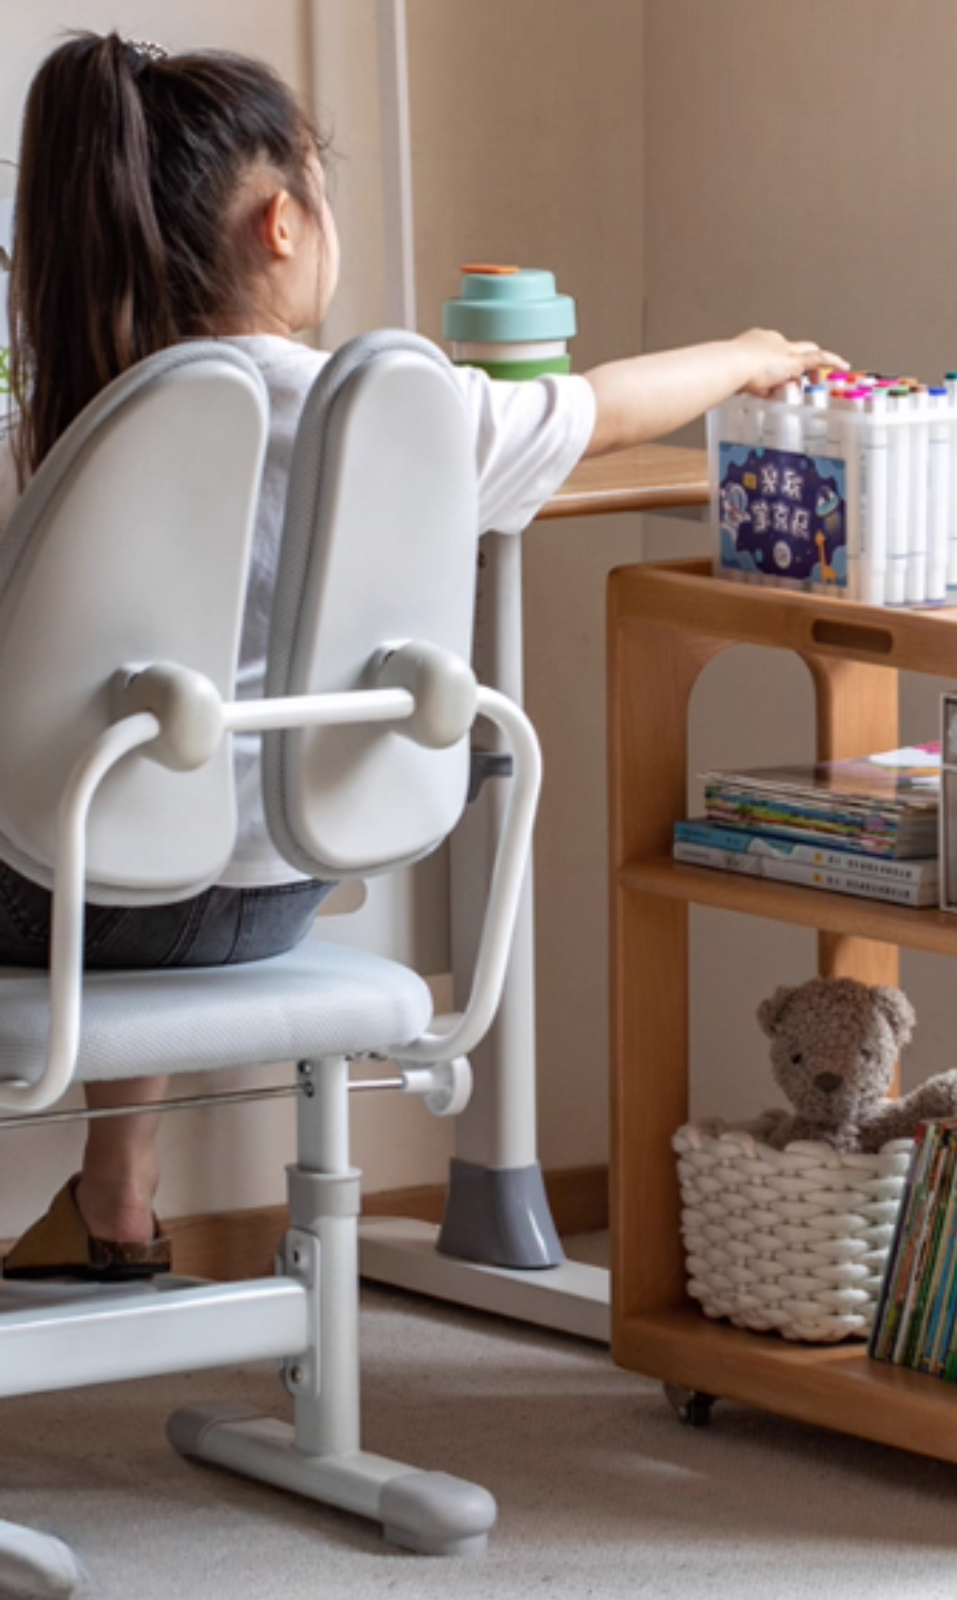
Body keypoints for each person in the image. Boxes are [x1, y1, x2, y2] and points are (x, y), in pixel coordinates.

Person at [0, 31, 842, 1281]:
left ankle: (116, 1190)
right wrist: (747, 356)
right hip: (280, 887)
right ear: (283, 222)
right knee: (167, 785)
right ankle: (116, 1190)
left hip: (67, 904)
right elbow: (603, 406)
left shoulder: (69, 432)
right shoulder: (400, 416)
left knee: (119, 785)